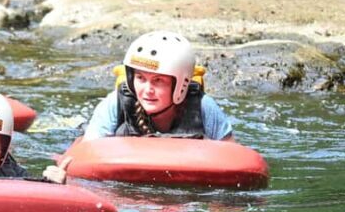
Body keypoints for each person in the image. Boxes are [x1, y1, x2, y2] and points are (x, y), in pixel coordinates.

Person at [84, 31, 233, 140]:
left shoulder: (203, 106)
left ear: (181, 84)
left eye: (158, 81)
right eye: (140, 78)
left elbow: (235, 158)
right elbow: (86, 152)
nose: (147, 90)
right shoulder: (115, 104)